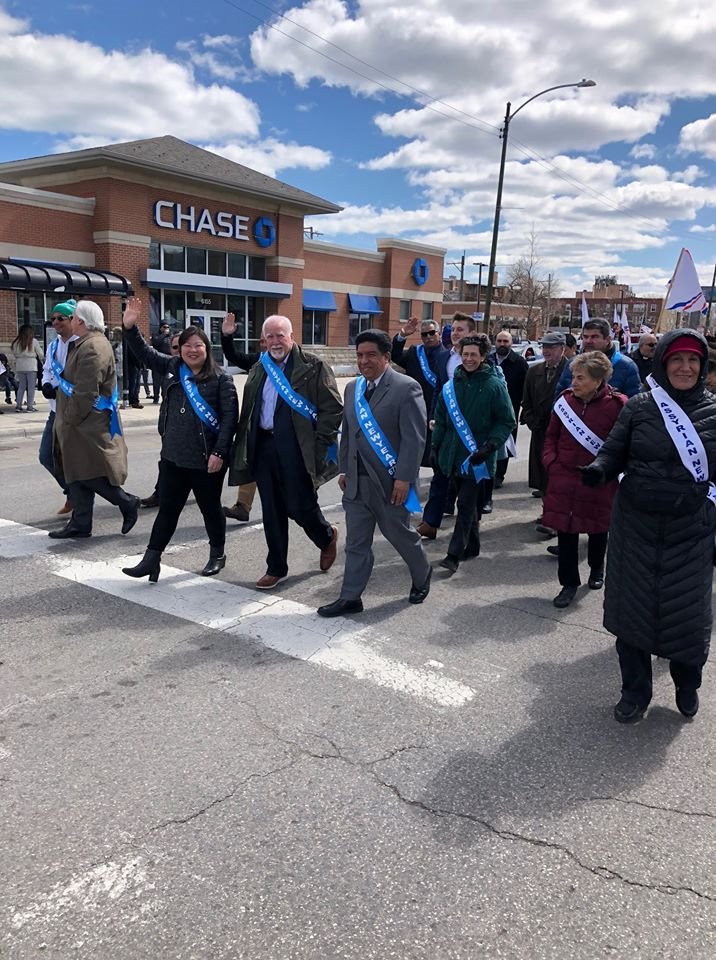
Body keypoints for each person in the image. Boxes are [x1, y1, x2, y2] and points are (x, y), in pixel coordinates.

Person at [582, 330, 716, 723]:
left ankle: (687, 682)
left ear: (703, 366)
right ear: (663, 363)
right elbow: (614, 450)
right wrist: (598, 470)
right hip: (636, 528)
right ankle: (634, 691)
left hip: (691, 531)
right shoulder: (640, 407)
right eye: (677, 359)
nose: (685, 367)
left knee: (687, 616)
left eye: (693, 360)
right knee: (633, 615)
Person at [121, 297, 238, 579]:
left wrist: (219, 453)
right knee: (168, 511)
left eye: (198, 345)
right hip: (173, 459)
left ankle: (217, 554)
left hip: (206, 461)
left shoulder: (221, 379)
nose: (192, 350)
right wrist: (130, 327)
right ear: (180, 348)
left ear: (207, 349)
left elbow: (229, 421)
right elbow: (145, 353)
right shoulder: (174, 367)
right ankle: (152, 558)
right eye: (187, 345)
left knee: (211, 510)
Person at [317, 329, 432, 616]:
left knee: (400, 535)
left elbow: (414, 439)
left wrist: (404, 478)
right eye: (359, 355)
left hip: (391, 483)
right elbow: (349, 434)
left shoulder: (407, 388)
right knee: (356, 543)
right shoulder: (353, 389)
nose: (363, 361)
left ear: (386, 357)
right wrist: (344, 470)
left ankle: (422, 573)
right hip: (357, 483)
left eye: (370, 355)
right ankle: (350, 597)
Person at [230, 315, 342, 589]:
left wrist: (318, 446)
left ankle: (326, 536)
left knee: (300, 506)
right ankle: (276, 566)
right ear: (264, 341)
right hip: (265, 447)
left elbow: (333, 409)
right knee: (272, 511)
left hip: (297, 448)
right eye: (270, 336)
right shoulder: (260, 367)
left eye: (281, 335)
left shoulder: (313, 367)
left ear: (291, 337)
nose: (276, 341)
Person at [542, 352, 626, 608]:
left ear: (598, 380)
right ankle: (568, 584)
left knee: (598, 528)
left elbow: (624, 444)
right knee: (565, 532)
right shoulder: (565, 402)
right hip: (564, 477)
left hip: (598, 479)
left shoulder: (618, 405)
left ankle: (597, 568)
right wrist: (551, 463)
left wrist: (608, 470)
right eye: (573, 376)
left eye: (581, 378)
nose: (574, 382)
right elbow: (550, 437)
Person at [50, 300, 139, 539]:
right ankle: (80, 523)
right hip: (79, 423)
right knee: (76, 472)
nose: (70, 321)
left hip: (86, 423)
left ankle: (127, 502)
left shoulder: (93, 346)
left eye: (73, 318)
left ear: (80, 321)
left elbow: (87, 391)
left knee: (89, 473)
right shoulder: (85, 343)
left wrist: (69, 419)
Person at [431, 336, 515, 574]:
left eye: (473, 355)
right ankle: (473, 545)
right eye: (465, 354)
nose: (468, 359)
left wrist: (490, 446)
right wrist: (436, 447)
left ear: (483, 357)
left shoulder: (494, 385)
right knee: (463, 501)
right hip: (451, 455)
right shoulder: (452, 385)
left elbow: (506, 420)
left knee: (466, 506)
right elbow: (442, 420)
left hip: (477, 456)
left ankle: (453, 554)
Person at [417, 312, 477, 539]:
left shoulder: (479, 358)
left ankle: (470, 528)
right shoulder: (444, 358)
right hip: (445, 427)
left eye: (460, 330)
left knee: (467, 483)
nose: (454, 334)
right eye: (452, 329)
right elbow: (438, 391)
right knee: (440, 474)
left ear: (471, 333)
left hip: (469, 431)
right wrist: (433, 416)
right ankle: (430, 522)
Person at [520, 331, 569, 531]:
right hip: (540, 431)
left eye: (552, 347)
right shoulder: (534, 371)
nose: (547, 351)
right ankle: (547, 511)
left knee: (557, 475)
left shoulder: (571, 369)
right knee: (542, 474)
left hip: (563, 433)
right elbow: (526, 401)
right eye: (545, 347)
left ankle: (555, 517)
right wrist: (531, 421)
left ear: (562, 349)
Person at [220, 313, 263, 523]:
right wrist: (227, 336)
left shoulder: (298, 366)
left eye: (276, 337)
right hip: (255, 428)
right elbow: (233, 356)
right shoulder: (257, 362)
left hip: (282, 431)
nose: (268, 344)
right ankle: (243, 507)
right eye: (264, 340)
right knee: (250, 464)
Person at [391, 315, 449, 465]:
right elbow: (395, 356)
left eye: (432, 333)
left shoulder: (448, 356)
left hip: (436, 408)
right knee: (413, 450)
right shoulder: (414, 352)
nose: (428, 337)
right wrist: (402, 335)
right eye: (424, 334)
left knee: (437, 450)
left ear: (439, 333)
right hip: (414, 406)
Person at [39, 300, 78, 514]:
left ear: (73, 319)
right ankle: (72, 494)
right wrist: (46, 383)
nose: (55, 322)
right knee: (46, 455)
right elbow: (47, 369)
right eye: (53, 319)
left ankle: (119, 499)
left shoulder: (82, 343)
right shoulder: (53, 345)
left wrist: (61, 388)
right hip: (56, 411)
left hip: (76, 412)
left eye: (60, 318)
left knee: (77, 460)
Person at [138, 332, 181, 509]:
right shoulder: (170, 367)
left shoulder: (205, 372)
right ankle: (160, 492)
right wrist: (130, 328)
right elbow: (145, 353)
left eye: (182, 345)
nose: (178, 351)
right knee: (166, 462)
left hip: (193, 432)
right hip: (169, 427)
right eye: (175, 347)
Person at [555, 318, 641, 397]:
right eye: (585, 337)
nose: (588, 341)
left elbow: (633, 406)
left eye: (594, 337)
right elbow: (559, 396)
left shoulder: (626, 366)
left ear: (607, 339)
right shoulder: (571, 364)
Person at [490, 330, 528, 488]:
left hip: (510, 410)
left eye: (505, 341)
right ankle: (489, 471)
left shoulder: (519, 363)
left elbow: (526, 388)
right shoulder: (488, 360)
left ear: (511, 344)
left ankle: (499, 474)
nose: (502, 344)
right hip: (489, 410)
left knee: (505, 442)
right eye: (499, 341)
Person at [11, 324, 44, 412]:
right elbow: (40, 354)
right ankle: (29, 406)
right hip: (31, 365)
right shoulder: (34, 341)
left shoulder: (16, 342)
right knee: (31, 387)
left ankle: (18, 406)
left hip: (20, 365)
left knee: (21, 387)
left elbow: (14, 353)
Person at [149, 321, 172, 403]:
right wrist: (163, 335)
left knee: (166, 381)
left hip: (167, 362)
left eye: (168, 327)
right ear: (161, 328)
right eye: (165, 327)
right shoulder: (156, 335)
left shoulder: (170, 337)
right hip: (157, 361)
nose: (167, 329)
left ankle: (165, 398)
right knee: (156, 381)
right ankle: (156, 398)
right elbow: (156, 343)